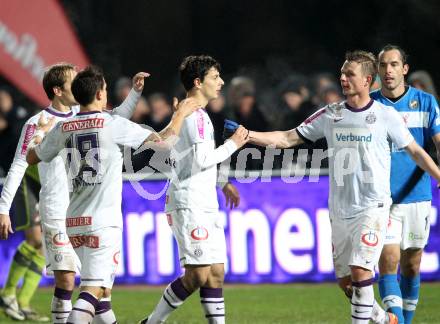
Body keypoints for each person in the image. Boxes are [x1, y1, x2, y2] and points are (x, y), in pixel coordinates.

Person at [246, 50, 440, 324]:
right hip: (340, 210)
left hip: (373, 208)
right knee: (347, 283)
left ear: (366, 80)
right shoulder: (331, 114)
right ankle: (387, 320)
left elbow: (416, 151)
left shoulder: (385, 115)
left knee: (362, 273)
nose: (343, 78)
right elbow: (288, 138)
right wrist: (249, 135)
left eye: (350, 74)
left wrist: (438, 173)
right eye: (342, 73)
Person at [25, 65, 201, 323]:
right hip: (102, 224)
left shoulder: (63, 128)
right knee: (91, 294)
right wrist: (181, 114)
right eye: (105, 89)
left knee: (103, 295)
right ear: (98, 94)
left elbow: (32, 157)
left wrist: (40, 133)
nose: (107, 94)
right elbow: (164, 143)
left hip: (74, 223)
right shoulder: (112, 124)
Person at [0, 62, 147, 322]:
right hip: (56, 209)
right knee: (67, 280)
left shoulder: (83, 115)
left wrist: (134, 93)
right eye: (72, 80)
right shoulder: (37, 123)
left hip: (84, 207)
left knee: (101, 290)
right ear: (58, 90)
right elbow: (19, 165)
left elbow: (115, 120)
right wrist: (3, 208)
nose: (78, 82)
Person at [138, 55, 248, 324]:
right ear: (198, 83)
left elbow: (191, 159)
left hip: (204, 201)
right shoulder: (194, 116)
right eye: (215, 77)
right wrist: (234, 144)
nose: (221, 82)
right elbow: (200, 160)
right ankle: (152, 322)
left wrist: (222, 183)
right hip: (190, 202)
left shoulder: (198, 115)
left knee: (216, 272)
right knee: (198, 275)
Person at [371, 45, 440, 324]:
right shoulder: (370, 105)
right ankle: (396, 320)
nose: (388, 70)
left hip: (418, 197)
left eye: (394, 64)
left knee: (411, 265)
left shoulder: (425, 102)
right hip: (381, 199)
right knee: (388, 261)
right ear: (377, 70)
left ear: (404, 69)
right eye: (383, 65)